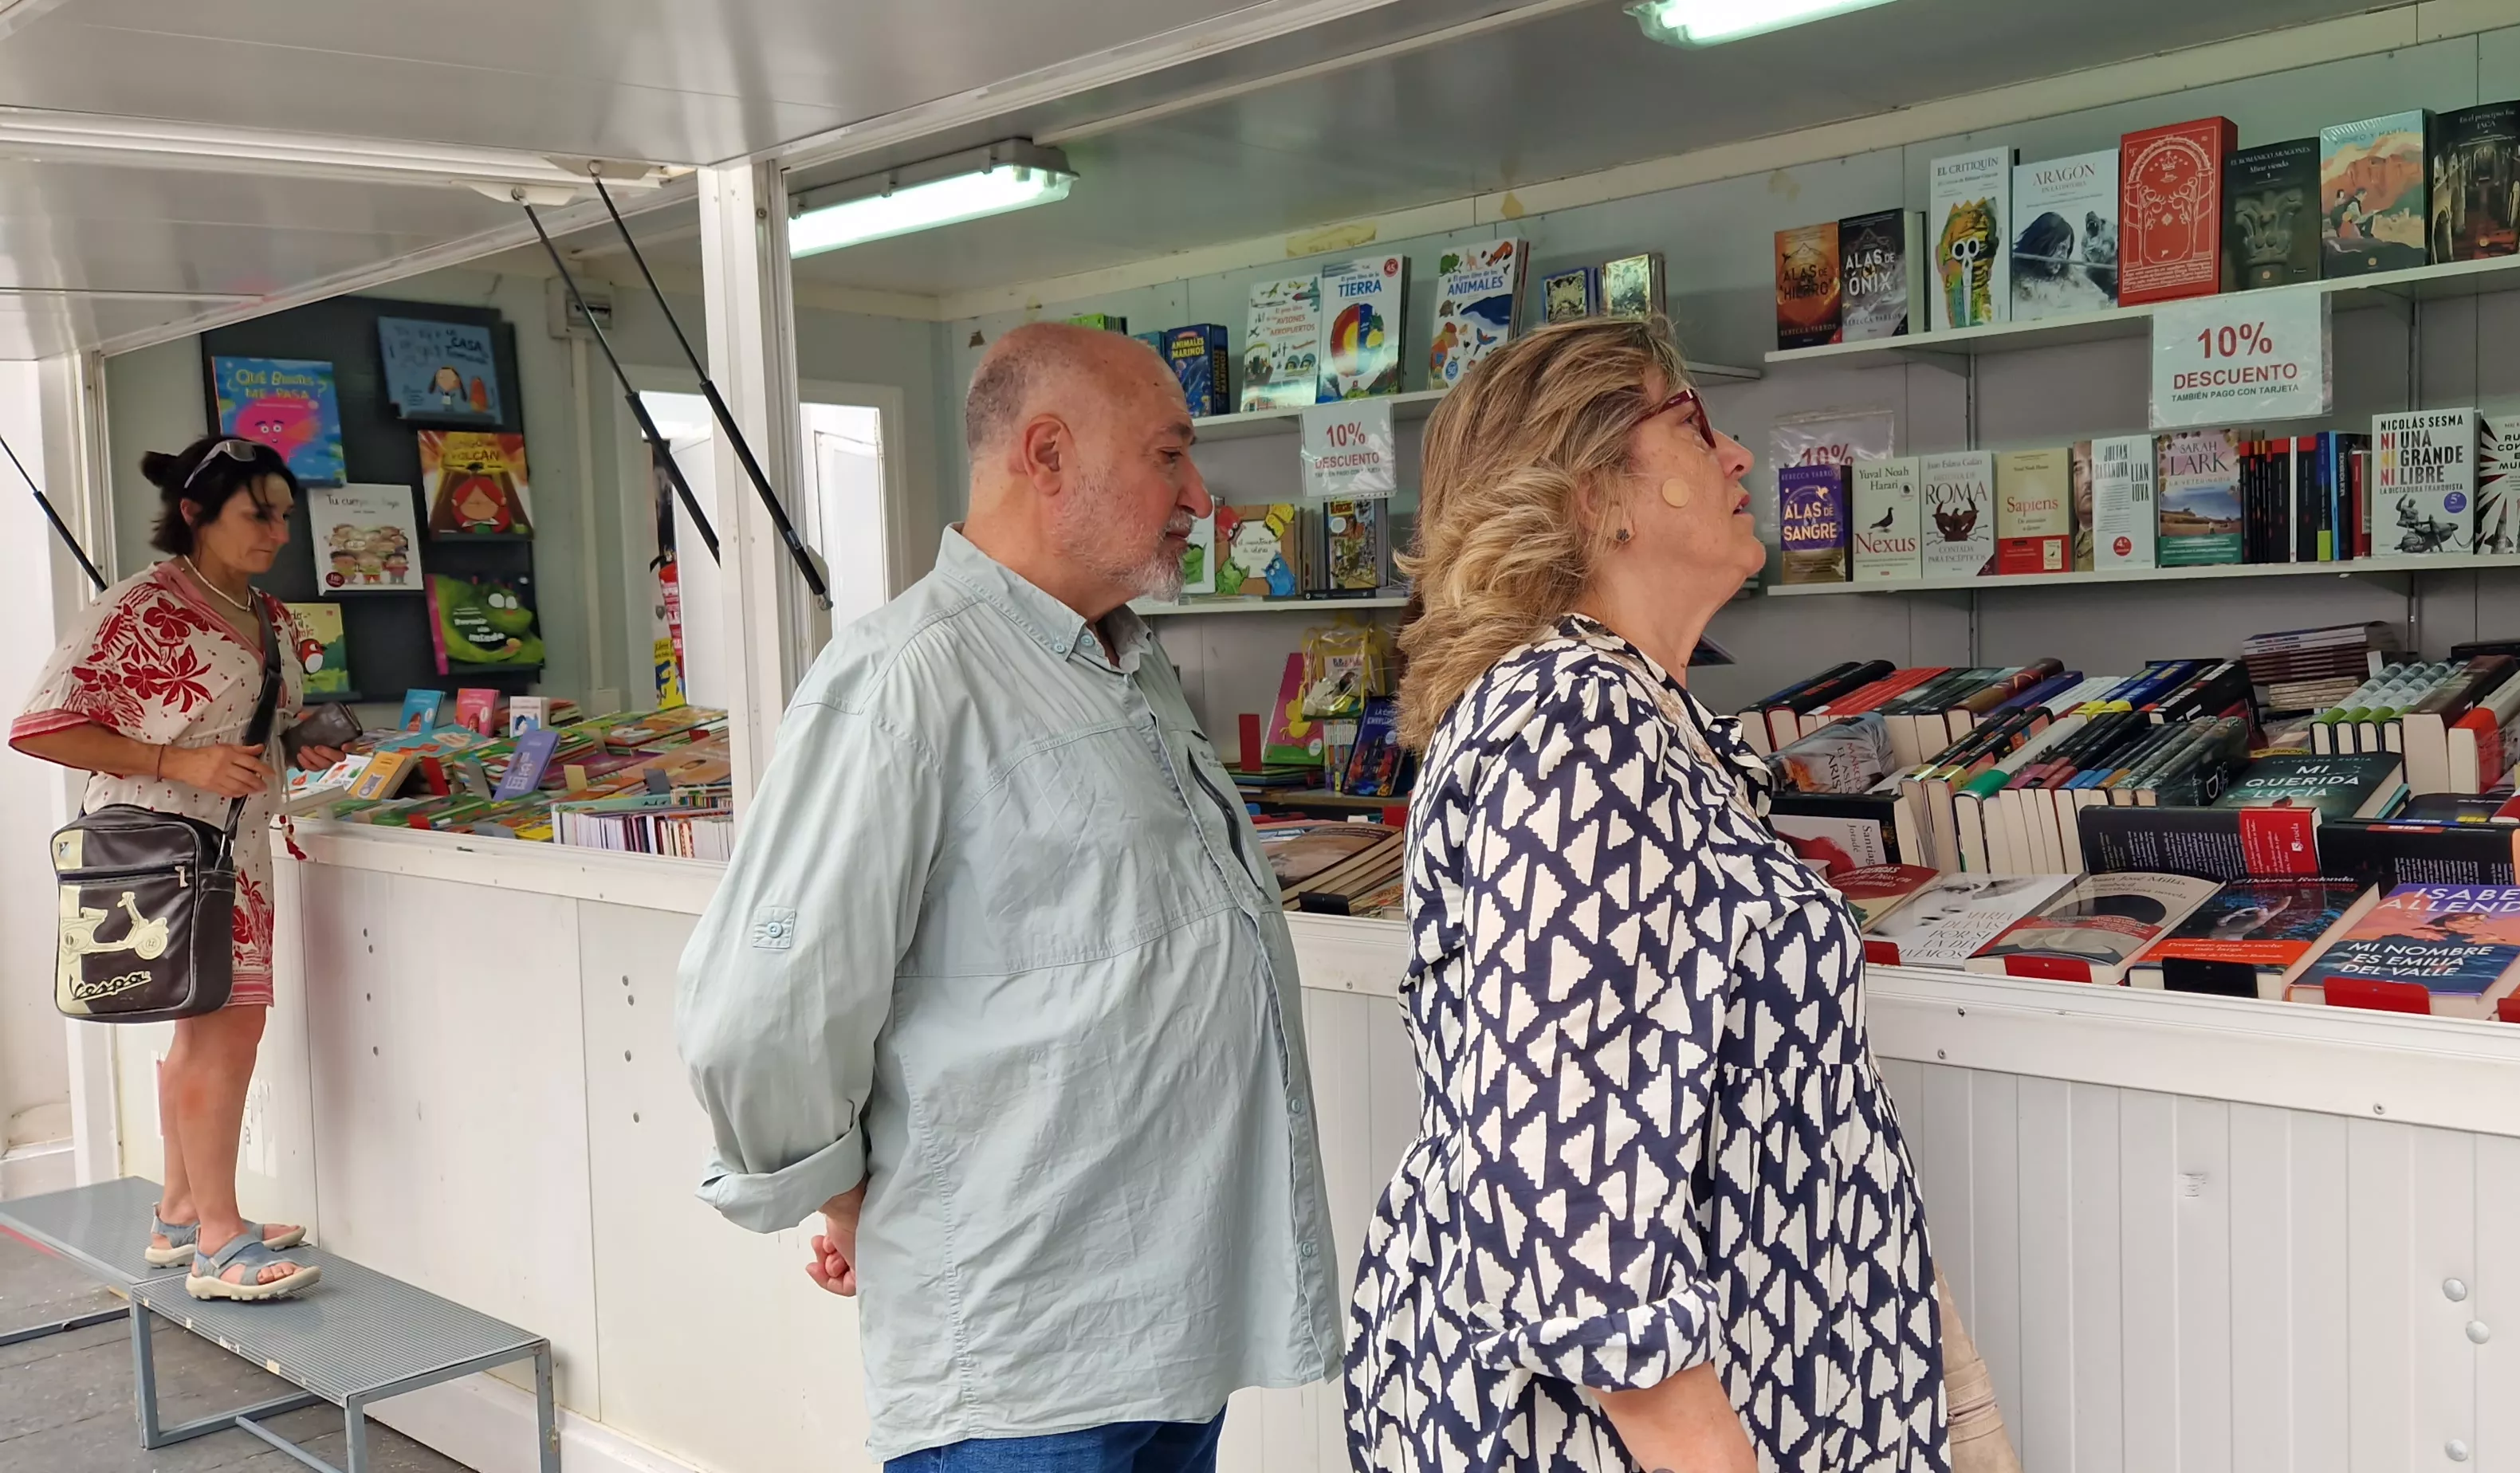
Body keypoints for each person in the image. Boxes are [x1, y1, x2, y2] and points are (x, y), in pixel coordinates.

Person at [1344, 319, 2008, 1473]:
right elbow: (1568, 1178)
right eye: (1695, 422)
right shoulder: (1573, 726)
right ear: (1597, 488)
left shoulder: (1642, 718)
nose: (1740, 454)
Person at [678, 323, 1339, 1473]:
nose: (1199, 491)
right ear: (1047, 455)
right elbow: (763, 1013)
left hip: (1167, 1329)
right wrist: (839, 1198)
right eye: (1169, 456)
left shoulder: (1122, 664)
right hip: (1026, 1370)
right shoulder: (906, 681)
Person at [13, 434, 339, 1301]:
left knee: (204, 1033)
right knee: (222, 1035)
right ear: (195, 514)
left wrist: (303, 746)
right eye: (256, 514)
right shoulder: (141, 608)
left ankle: (182, 1210)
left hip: (236, 851)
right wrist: (179, 764)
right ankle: (219, 1245)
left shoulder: (264, 612)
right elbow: (42, 726)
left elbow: (258, 721)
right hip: (168, 856)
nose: (276, 531)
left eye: (282, 515)